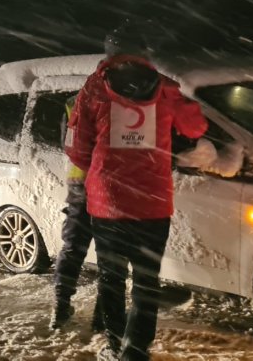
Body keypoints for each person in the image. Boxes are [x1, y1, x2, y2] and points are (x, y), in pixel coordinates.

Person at [66, 29, 208, 361]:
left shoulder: (94, 89)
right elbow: (196, 128)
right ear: (144, 53)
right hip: (153, 204)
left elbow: (76, 147)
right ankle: (136, 350)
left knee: (111, 280)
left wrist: (101, 166)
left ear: (110, 53)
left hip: (108, 203)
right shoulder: (166, 89)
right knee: (147, 281)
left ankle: (114, 346)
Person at [50, 93, 102, 331]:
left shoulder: (75, 102)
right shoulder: (124, 102)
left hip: (79, 182)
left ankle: (60, 308)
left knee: (72, 247)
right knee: (110, 254)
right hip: (107, 185)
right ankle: (101, 317)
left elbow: (66, 144)